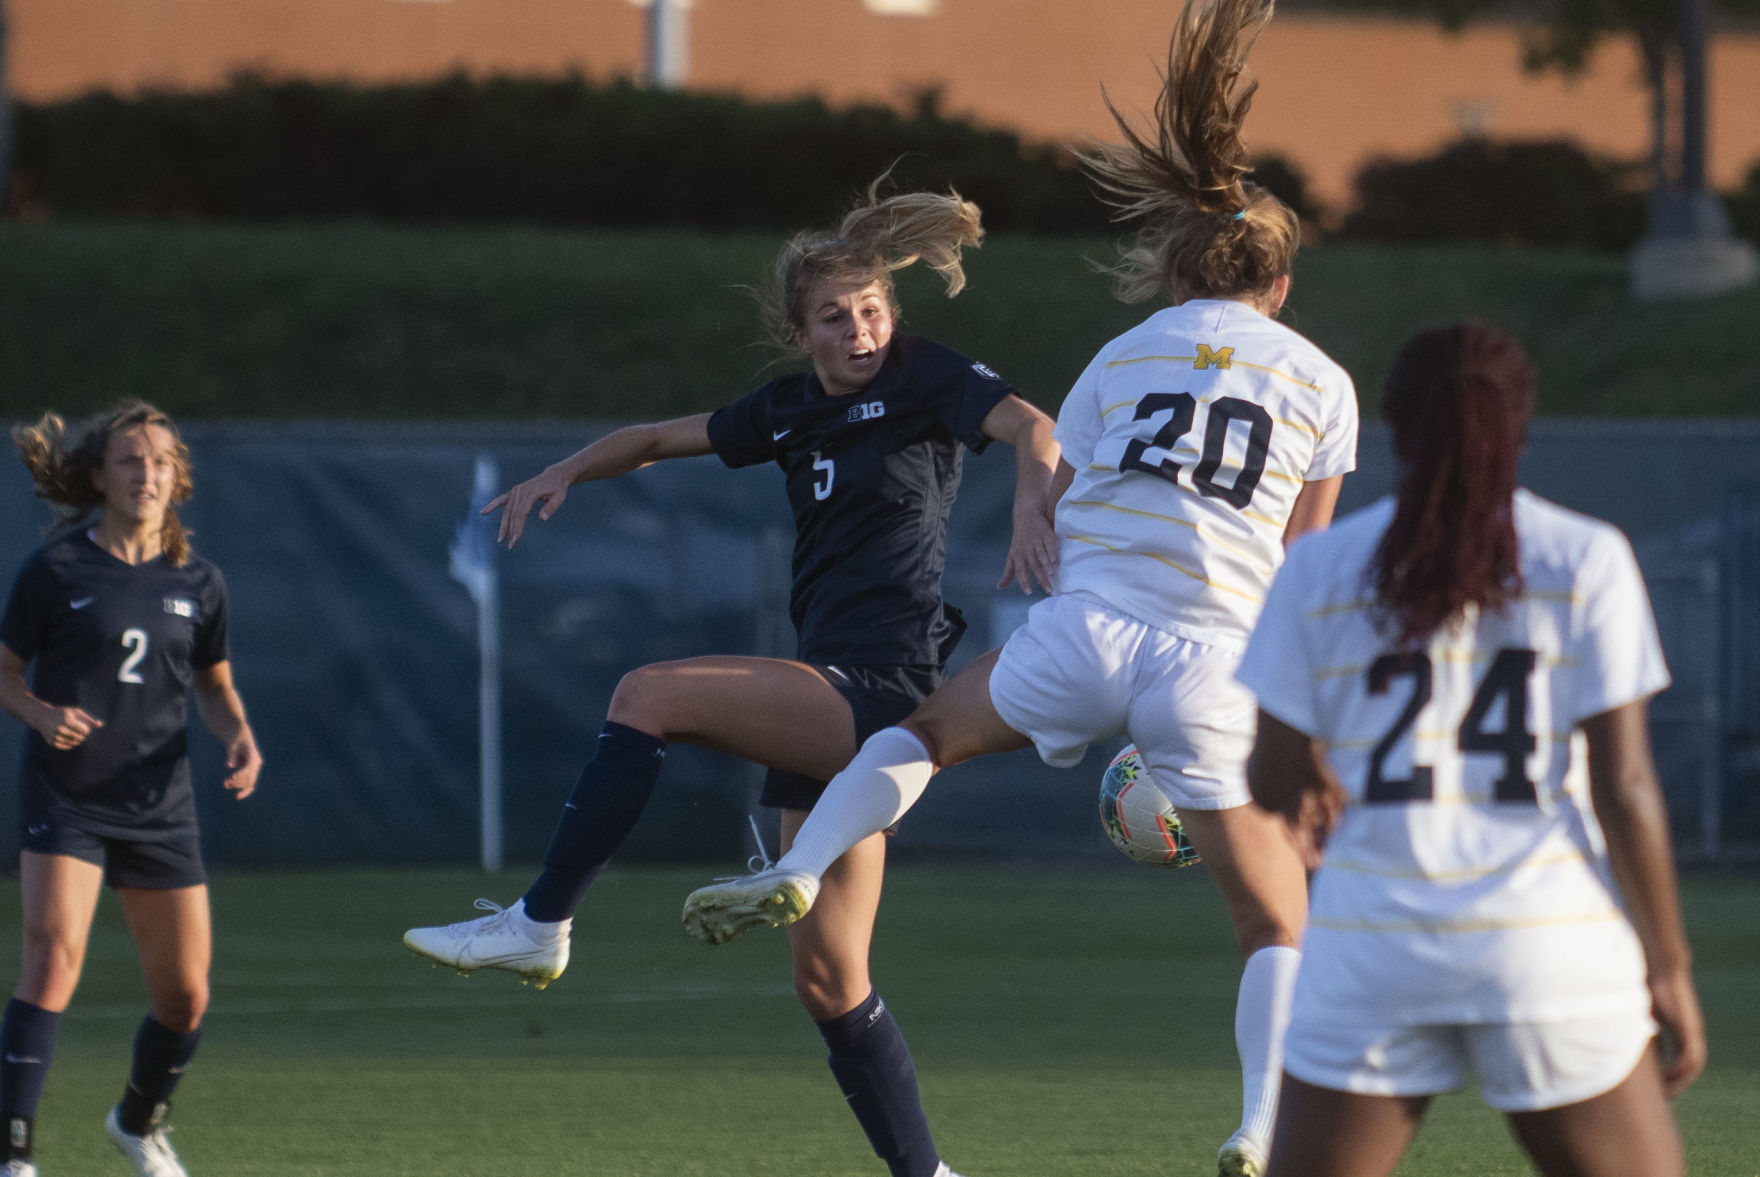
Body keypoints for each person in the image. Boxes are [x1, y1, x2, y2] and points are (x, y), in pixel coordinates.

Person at [680, 3, 1358, 1174]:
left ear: (1175, 268)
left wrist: (1047, 521)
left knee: (925, 733)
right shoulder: (1321, 381)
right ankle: (1256, 1127)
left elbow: (1079, 471)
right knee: (1273, 920)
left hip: (1086, 627)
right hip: (1211, 660)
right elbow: (1304, 566)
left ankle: (791, 867)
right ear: (1279, 284)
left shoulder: (1119, 357)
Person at [401, 183, 1060, 1177]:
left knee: (646, 694)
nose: (859, 329)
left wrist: (1027, 510)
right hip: (825, 682)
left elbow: (1034, 427)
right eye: (834, 317)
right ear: (799, 333)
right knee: (829, 979)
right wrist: (564, 472)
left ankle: (538, 923)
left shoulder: (924, 375)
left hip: (878, 685)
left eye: (872, 309)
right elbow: (661, 438)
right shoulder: (790, 409)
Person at [1235, 321, 1707, 1177]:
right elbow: (1628, 786)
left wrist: (1310, 776)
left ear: (1395, 426)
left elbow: (1266, 778)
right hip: (1547, 939)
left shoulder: (1318, 568)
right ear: (1521, 423)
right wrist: (1667, 963)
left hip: (1374, 939)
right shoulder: (1585, 556)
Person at [0, 401, 263, 1177]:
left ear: (177, 477)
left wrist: (240, 735)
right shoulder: (57, 569)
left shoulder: (200, 581)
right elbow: (5, 674)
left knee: (186, 998)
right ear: (97, 477)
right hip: (68, 796)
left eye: (158, 461)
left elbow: (214, 687)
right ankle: (14, 1155)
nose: (145, 473)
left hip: (159, 803)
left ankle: (137, 1122)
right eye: (128, 460)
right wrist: (42, 713)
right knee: (51, 960)